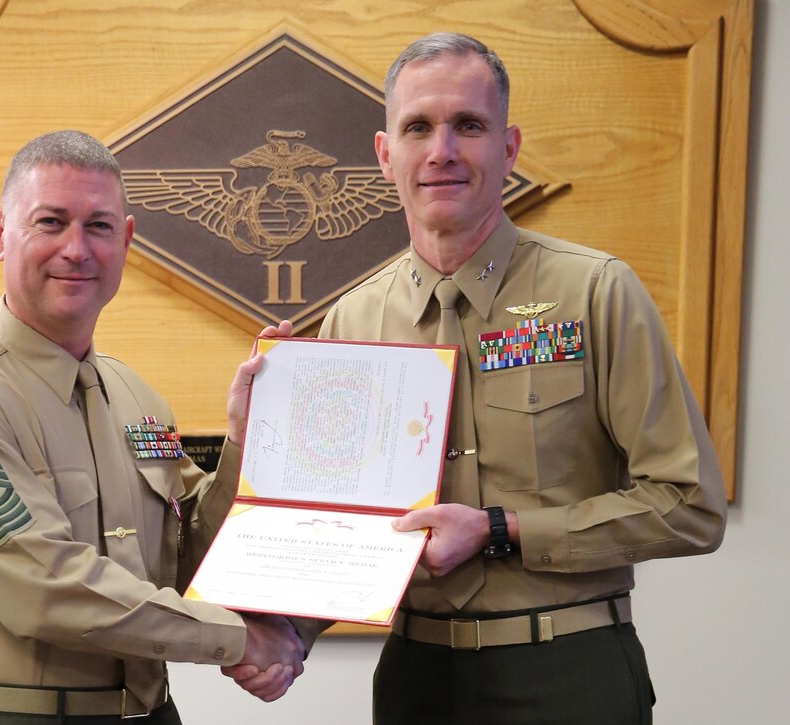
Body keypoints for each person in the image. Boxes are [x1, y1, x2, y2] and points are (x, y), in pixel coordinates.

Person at [229, 33, 728, 724]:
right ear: (384, 155)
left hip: (568, 668)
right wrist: (286, 635)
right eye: (418, 128)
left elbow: (690, 505)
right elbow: (344, 536)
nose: (442, 150)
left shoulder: (596, 292)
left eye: (469, 125)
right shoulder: (352, 318)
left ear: (509, 147)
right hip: (416, 681)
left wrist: (503, 528)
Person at [0, 130, 306, 724]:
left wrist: (243, 443)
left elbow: (194, 557)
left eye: (99, 226)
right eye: (51, 222)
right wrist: (237, 640)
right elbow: (47, 588)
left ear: (126, 240)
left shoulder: (139, 400)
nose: (76, 249)